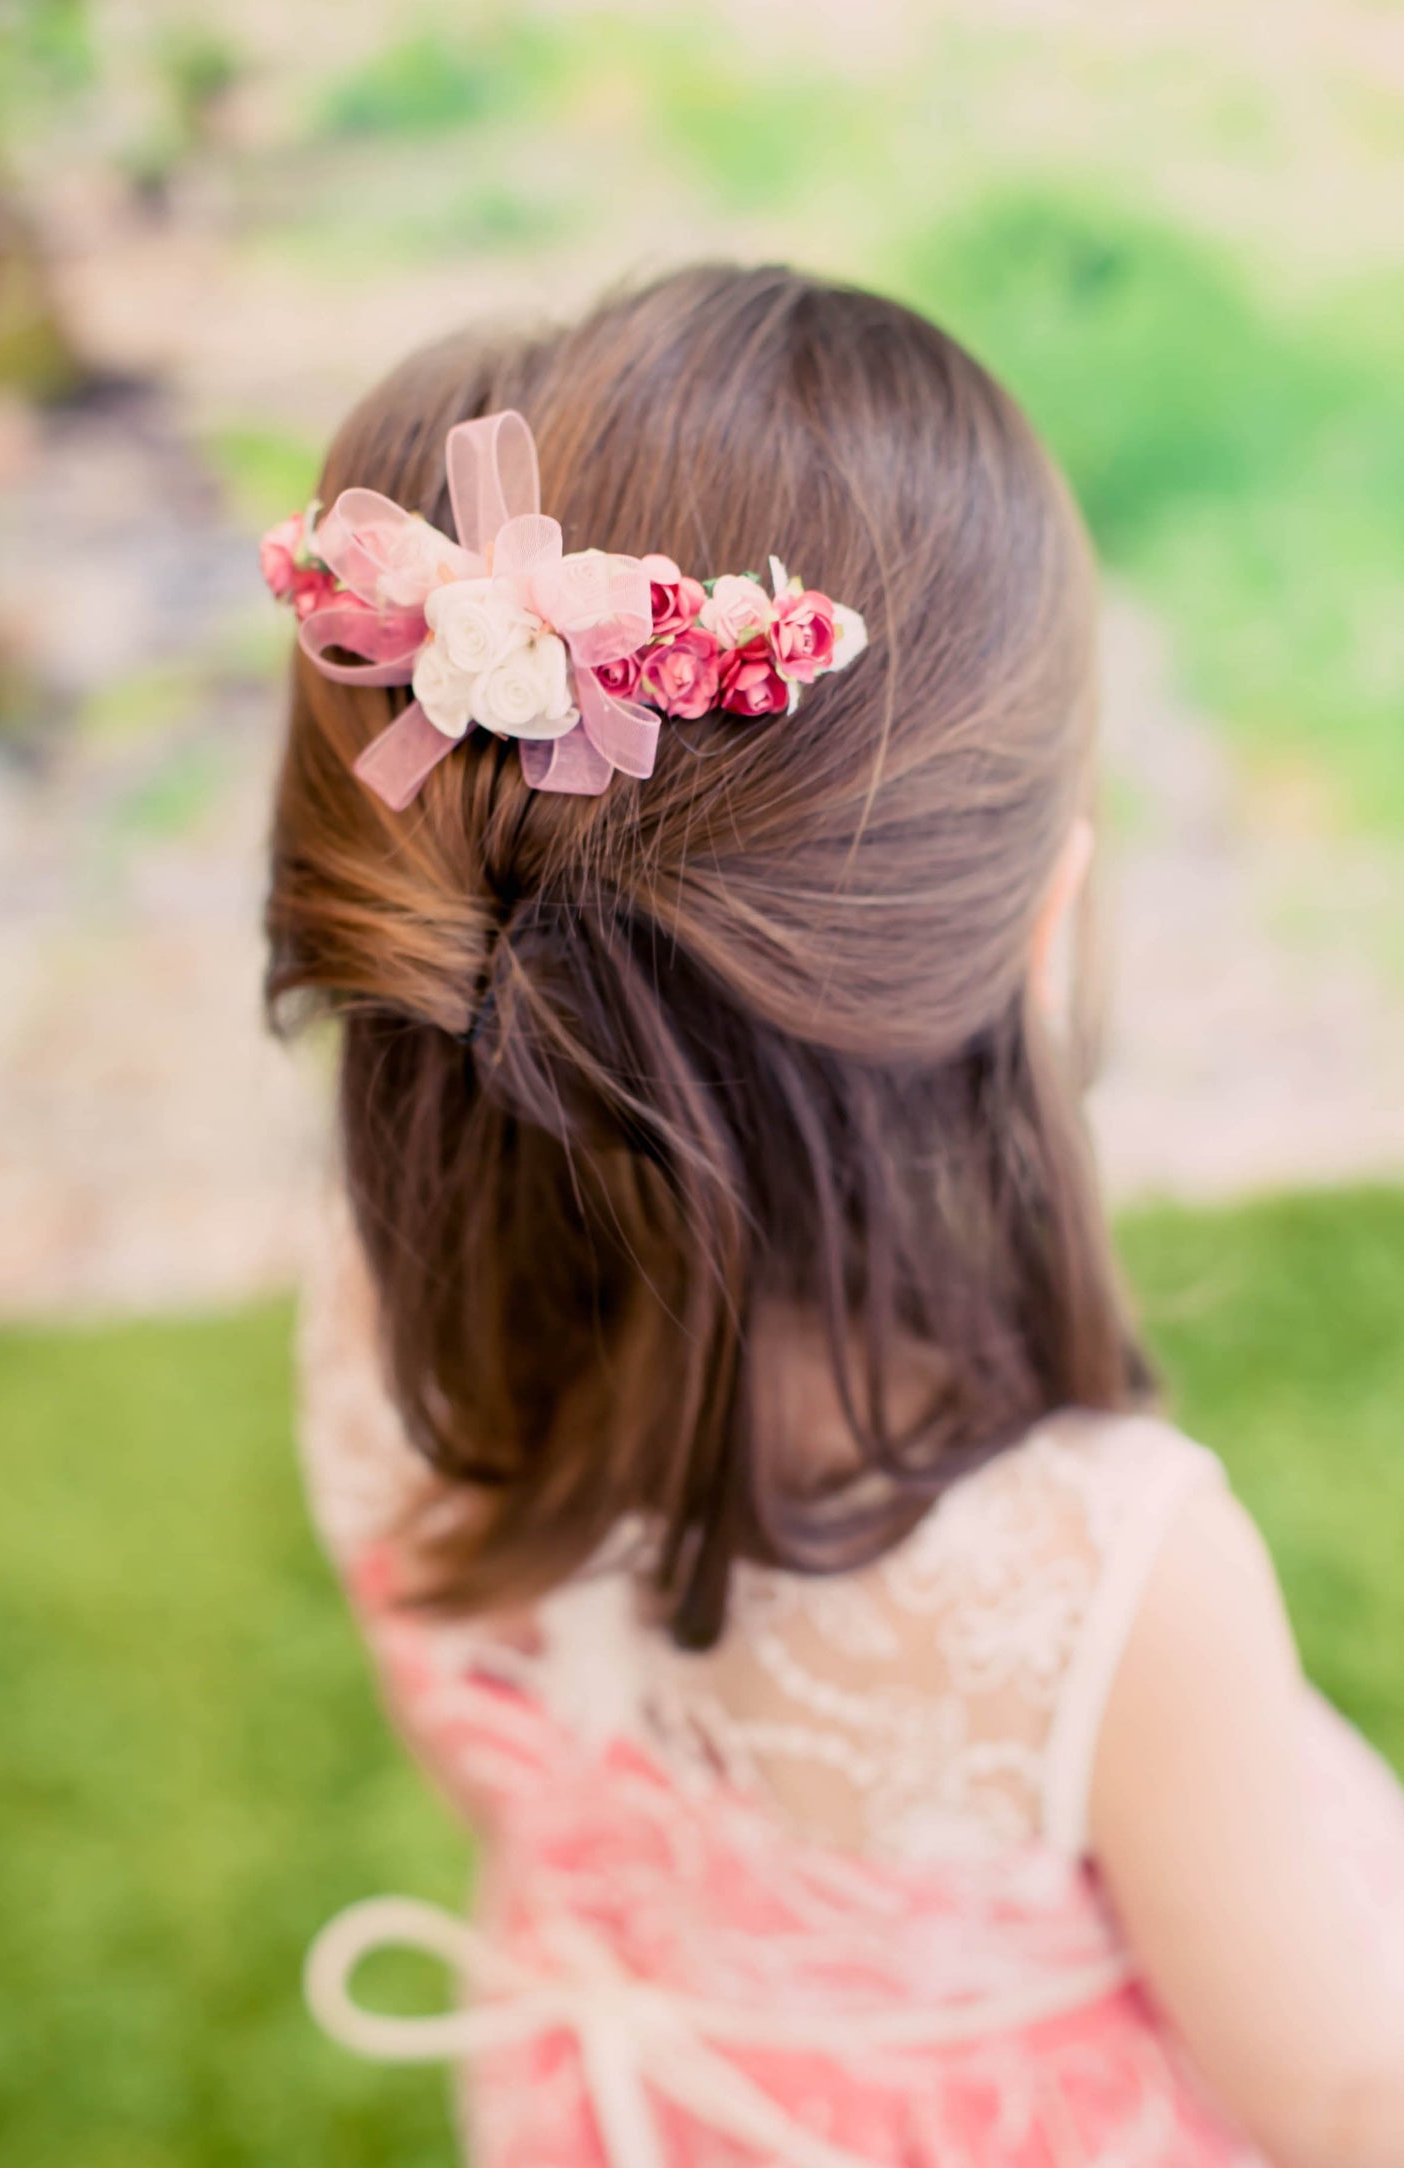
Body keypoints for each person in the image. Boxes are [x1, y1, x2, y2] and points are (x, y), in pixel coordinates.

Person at [262, 265, 1404, 2168]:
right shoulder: (1105, 1579)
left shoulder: (368, 1313)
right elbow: (1349, 2091)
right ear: (1038, 930)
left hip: (605, 2096)